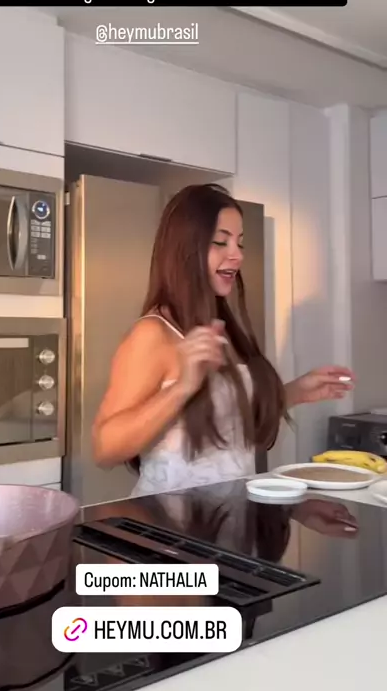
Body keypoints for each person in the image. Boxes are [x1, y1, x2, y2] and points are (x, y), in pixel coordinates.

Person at [92, 184, 354, 497]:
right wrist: (182, 387)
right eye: (221, 242)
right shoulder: (153, 333)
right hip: (169, 521)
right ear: (185, 250)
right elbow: (105, 449)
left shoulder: (221, 326)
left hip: (231, 516)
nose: (237, 255)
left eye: (239, 243)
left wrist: (295, 392)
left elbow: (227, 418)